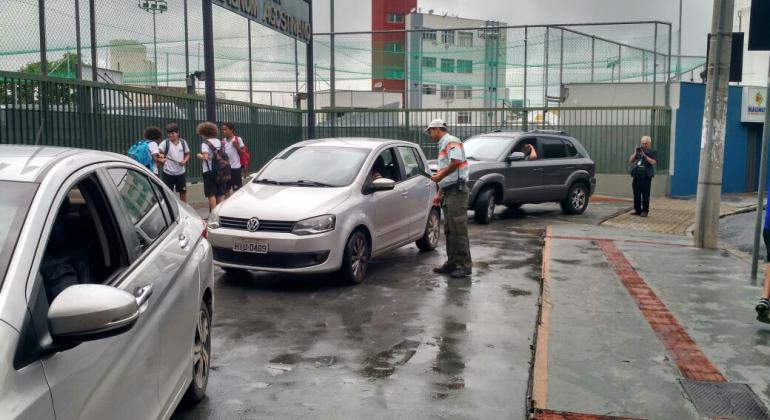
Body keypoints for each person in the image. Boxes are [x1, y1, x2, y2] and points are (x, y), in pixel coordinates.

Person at [427, 118, 472, 279]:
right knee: (450, 230)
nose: (429, 134)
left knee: (458, 229)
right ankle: (452, 262)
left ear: (437, 129)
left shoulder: (451, 141)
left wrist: (439, 177)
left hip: (457, 191)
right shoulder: (443, 143)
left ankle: (464, 265)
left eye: (430, 130)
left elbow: (455, 163)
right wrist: (439, 193)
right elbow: (447, 170)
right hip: (449, 191)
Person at [196, 122, 227, 211]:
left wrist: (199, 156)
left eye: (201, 134)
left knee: (211, 194)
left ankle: (213, 215)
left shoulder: (205, 144)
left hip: (209, 171)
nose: (201, 136)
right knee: (220, 193)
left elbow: (205, 157)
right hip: (221, 170)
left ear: (204, 133)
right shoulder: (220, 142)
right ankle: (220, 213)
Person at [159, 123, 190, 202]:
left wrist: (184, 161)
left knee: (183, 192)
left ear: (177, 133)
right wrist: (161, 157)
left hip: (180, 173)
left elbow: (187, 154)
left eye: (173, 133)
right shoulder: (164, 143)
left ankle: (185, 209)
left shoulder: (183, 142)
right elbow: (159, 153)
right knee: (168, 193)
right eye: (169, 133)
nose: (171, 135)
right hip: (168, 173)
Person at [628, 135, 657, 217]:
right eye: (643, 143)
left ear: (649, 143)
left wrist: (645, 156)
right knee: (636, 194)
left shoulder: (653, 151)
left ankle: (645, 211)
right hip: (637, 176)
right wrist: (635, 152)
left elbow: (653, 162)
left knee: (645, 194)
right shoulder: (639, 151)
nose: (644, 145)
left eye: (646, 144)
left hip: (646, 177)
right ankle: (637, 210)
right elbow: (630, 160)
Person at [221, 122, 246, 197]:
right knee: (226, 190)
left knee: (237, 190)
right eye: (223, 129)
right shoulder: (223, 140)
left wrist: (237, 147)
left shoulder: (238, 139)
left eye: (226, 129)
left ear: (231, 130)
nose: (224, 131)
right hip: (226, 168)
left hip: (235, 168)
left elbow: (243, 153)